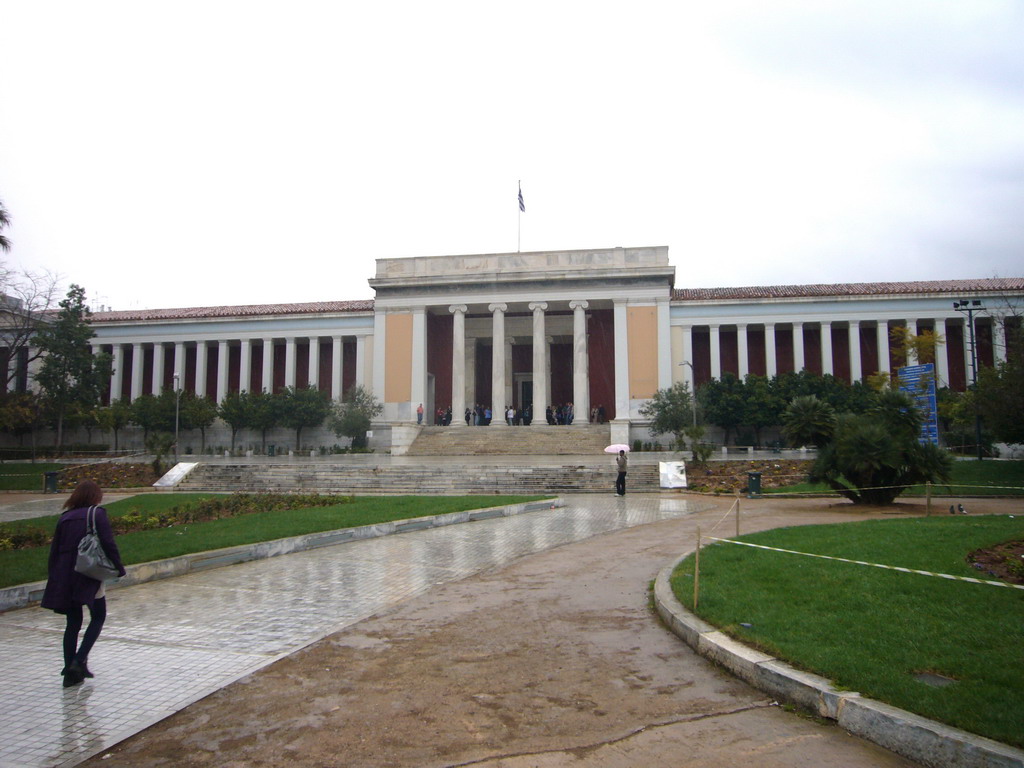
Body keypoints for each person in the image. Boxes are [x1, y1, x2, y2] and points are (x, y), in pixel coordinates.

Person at [41, 480, 126, 688]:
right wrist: (118, 567)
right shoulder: (96, 514)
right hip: (88, 572)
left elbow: (55, 550)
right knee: (98, 616)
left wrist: (54, 576)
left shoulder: (65, 517)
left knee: (73, 622)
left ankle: (70, 672)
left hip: (65, 574)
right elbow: (108, 543)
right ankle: (79, 661)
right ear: (94, 496)